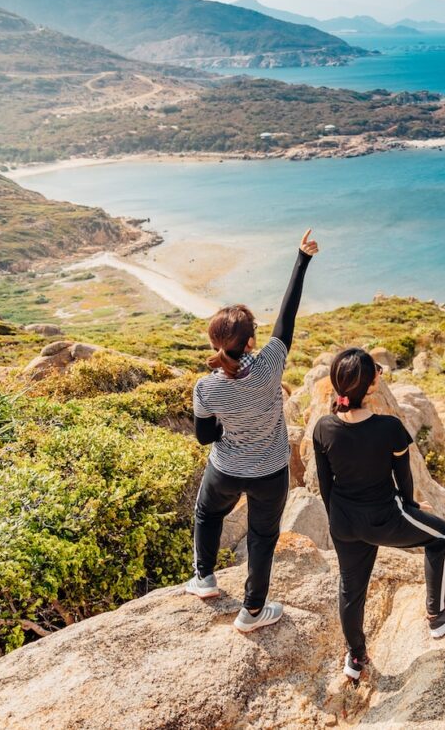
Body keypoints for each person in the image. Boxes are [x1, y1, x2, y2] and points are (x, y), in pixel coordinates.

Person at [183, 229, 319, 634]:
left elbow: (205, 438)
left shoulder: (205, 386)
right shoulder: (270, 365)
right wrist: (302, 258)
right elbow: (287, 318)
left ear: (214, 341)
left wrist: (231, 429)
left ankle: (204, 579)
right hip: (270, 472)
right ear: (252, 341)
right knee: (262, 537)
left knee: (208, 514)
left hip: (225, 468)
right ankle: (253, 611)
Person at [312, 348, 445, 679]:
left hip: (343, 520)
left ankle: (355, 658)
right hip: (384, 517)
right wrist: (412, 506)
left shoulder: (323, 428)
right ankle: (439, 613)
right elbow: (403, 477)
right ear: (370, 387)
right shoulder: (388, 428)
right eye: (377, 373)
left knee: (350, 589)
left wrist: (339, 521)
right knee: (440, 535)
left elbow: (326, 486)